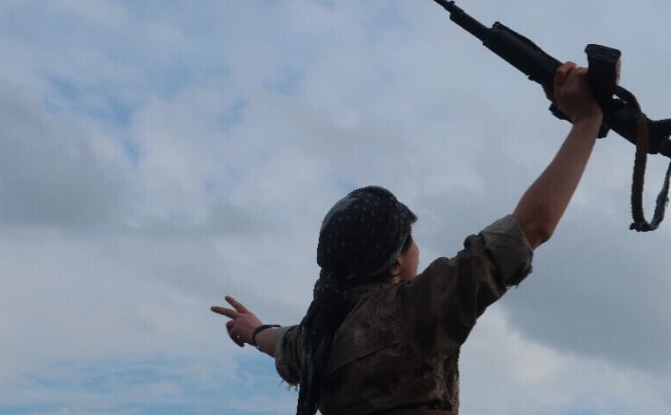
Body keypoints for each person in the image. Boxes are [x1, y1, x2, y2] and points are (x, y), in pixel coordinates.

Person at [211, 62, 603, 414]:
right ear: (395, 262)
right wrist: (586, 121)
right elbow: (530, 227)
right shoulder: (414, 312)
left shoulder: (319, 336)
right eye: (410, 239)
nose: (418, 248)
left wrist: (254, 330)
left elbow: (280, 342)